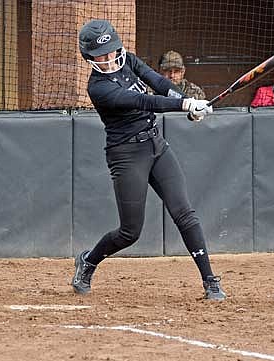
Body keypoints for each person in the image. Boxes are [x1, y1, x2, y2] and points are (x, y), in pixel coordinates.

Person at [72, 19, 226, 301]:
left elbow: (158, 83)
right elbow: (144, 101)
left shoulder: (128, 60)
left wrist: (185, 102)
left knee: (184, 213)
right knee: (130, 232)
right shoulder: (98, 88)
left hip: (156, 146)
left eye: (110, 52)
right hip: (126, 155)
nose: (107, 60)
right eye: (99, 56)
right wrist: (185, 105)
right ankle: (89, 261)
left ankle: (210, 281)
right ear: (89, 58)